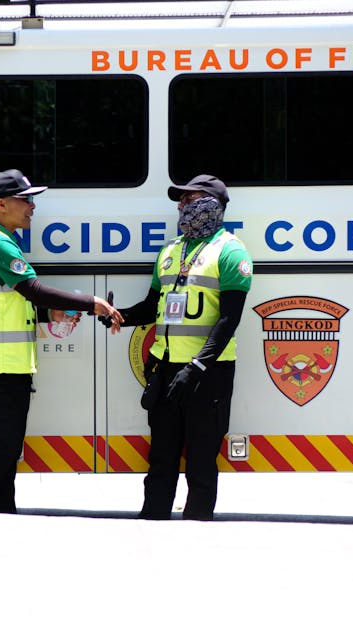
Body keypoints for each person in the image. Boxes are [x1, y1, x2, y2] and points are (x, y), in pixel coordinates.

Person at [0, 168, 123, 513]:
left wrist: (52, 315)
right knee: (4, 448)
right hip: (2, 365)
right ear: (0, 204)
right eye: (26, 199)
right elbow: (32, 290)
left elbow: (12, 301)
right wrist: (91, 303)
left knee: (5, 447)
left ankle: (2, 513)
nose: (33, 207)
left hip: (0, 363)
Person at [104, 174, 252, 520]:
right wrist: (117, 315)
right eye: (180, 200)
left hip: (207, 374)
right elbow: (150, 307)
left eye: (190, 198)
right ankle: (152, 522)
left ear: (212, 204)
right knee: (160, 460)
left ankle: (196, 533)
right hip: (166, 370)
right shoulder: (170, 251)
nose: (181, 205)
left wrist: (196, 367)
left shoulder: (230, 251)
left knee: (201, 463)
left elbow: (229, 319)